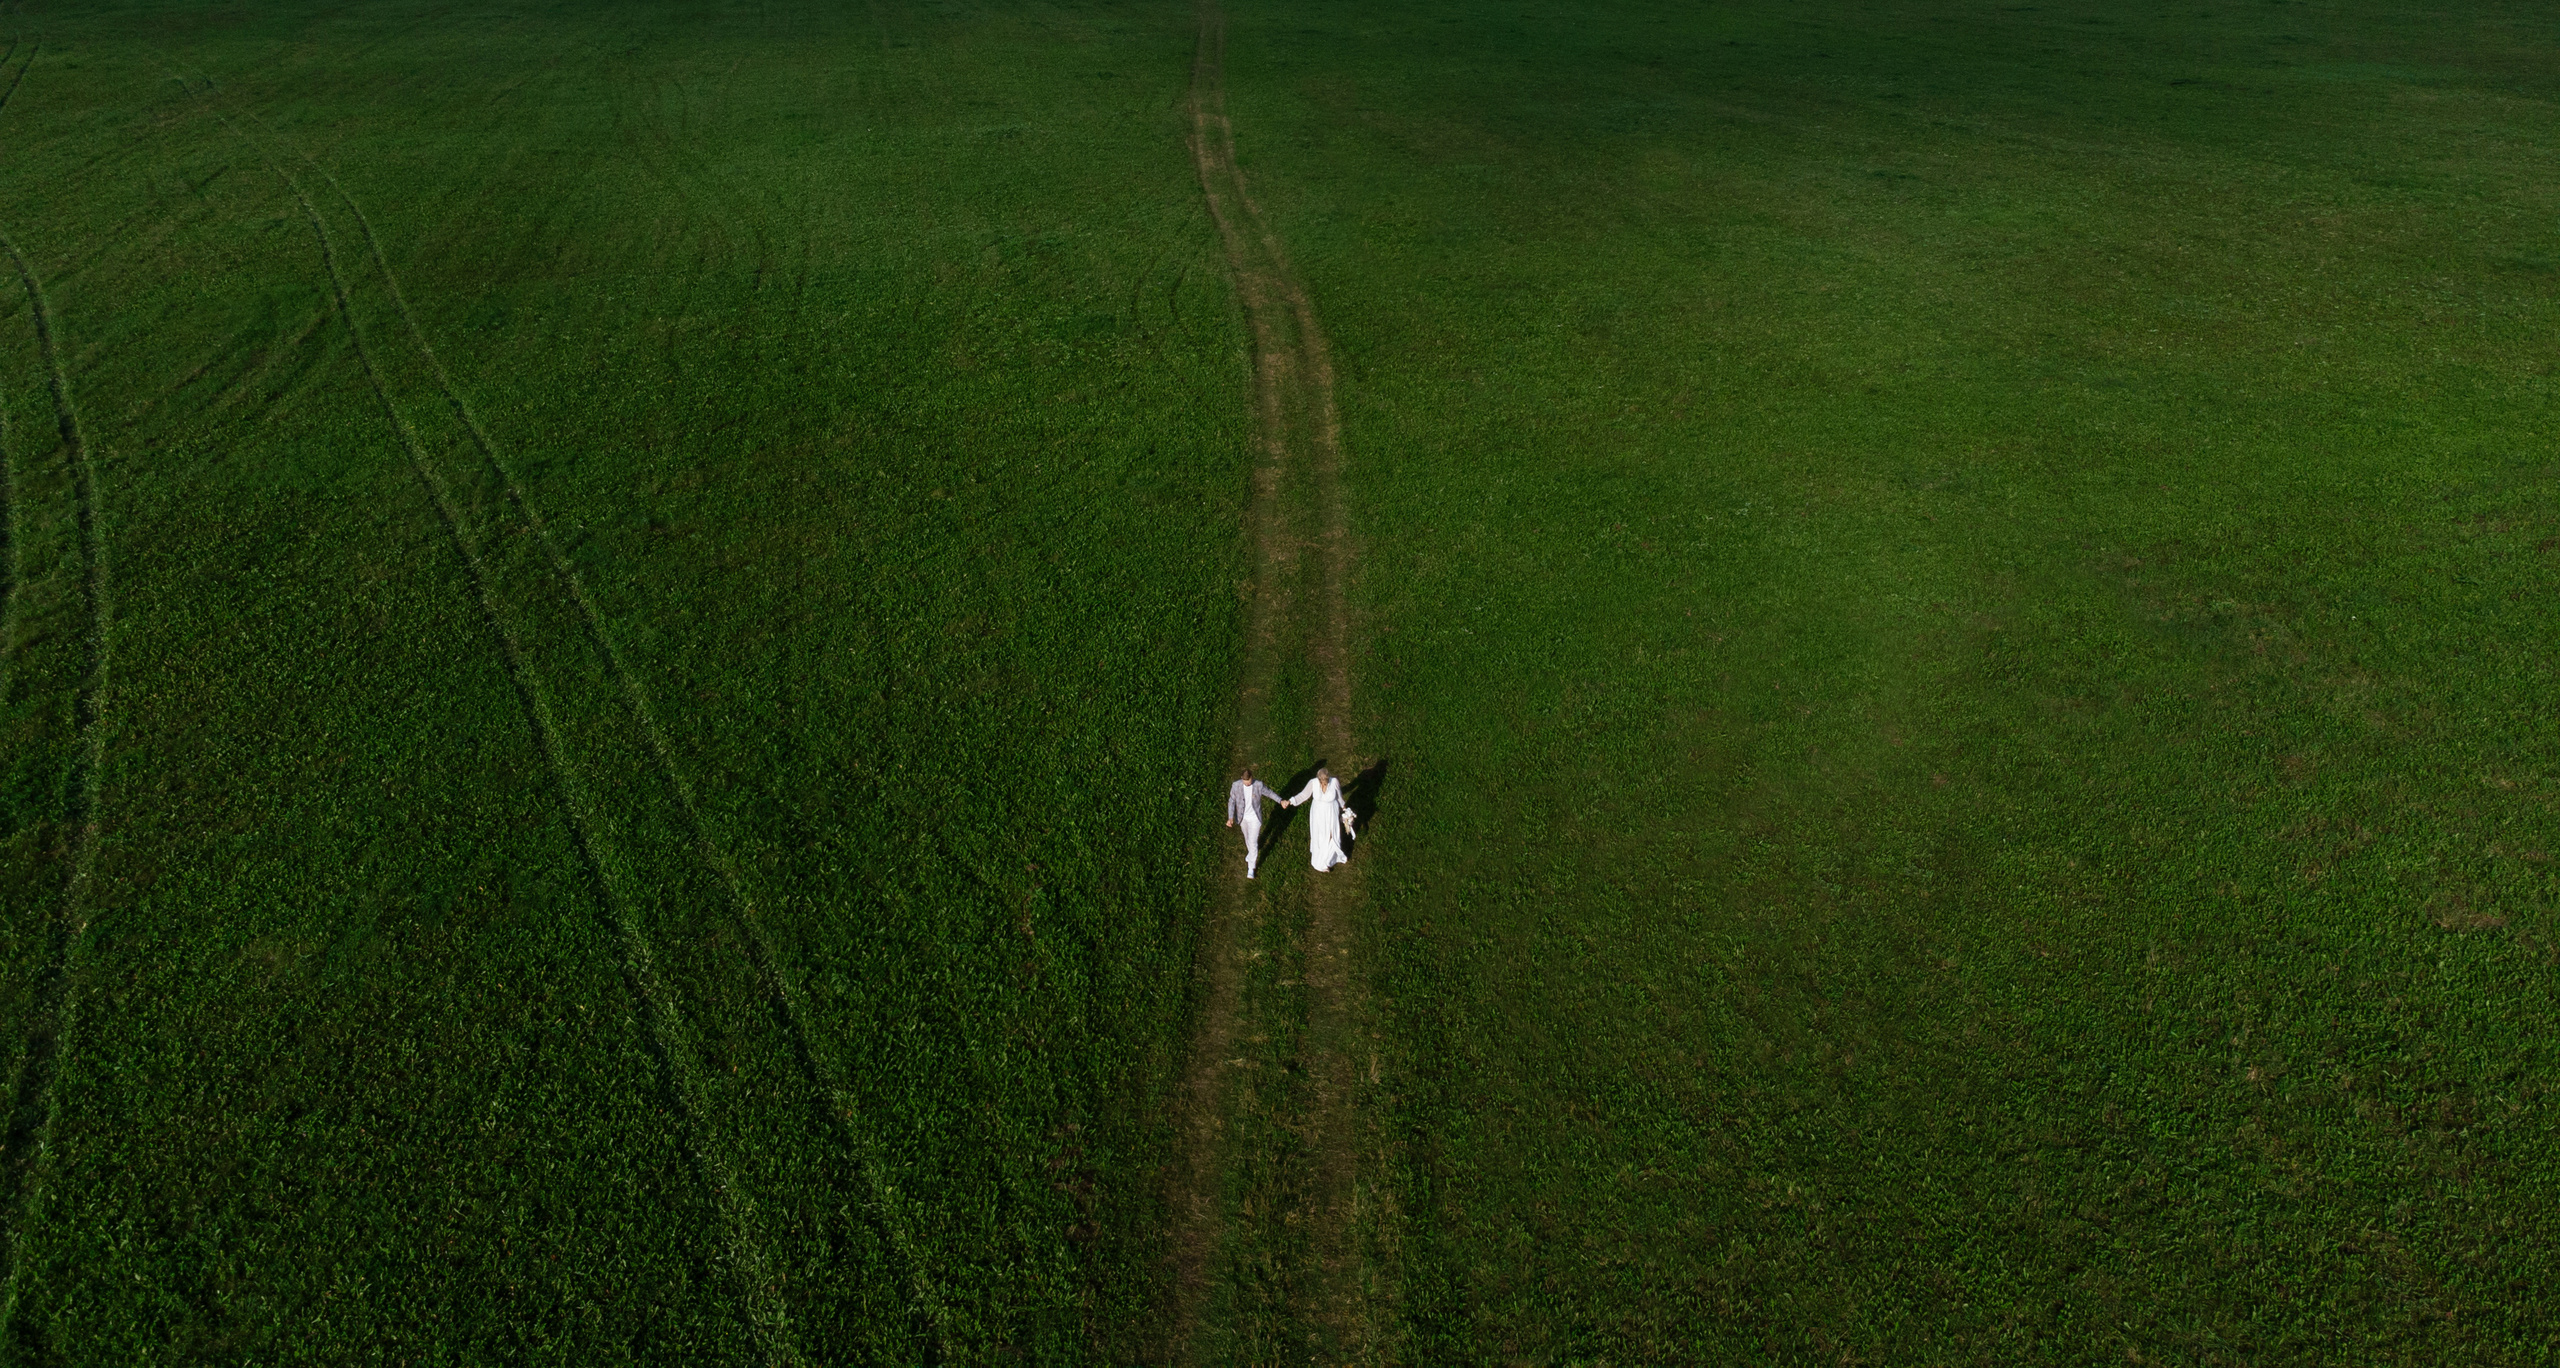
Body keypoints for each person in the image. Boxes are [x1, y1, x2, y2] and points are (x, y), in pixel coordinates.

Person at [1285, 767, 1349, 872]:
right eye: (1322, 782)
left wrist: (1345, 809)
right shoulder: (1313, 783)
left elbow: (1339, 797)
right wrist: (1290, 801)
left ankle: (1329, 859)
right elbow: (1303, 795)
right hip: (1317, 814)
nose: (1324, 784)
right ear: (1318, 779)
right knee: (1320, 836)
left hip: (1331, 812)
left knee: (1331, 836)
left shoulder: (1334, 782)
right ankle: (1320, 862)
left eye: (1326, 781)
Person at [1226, 767, 1283, 879]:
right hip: (1242, 818)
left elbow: (1270, 793)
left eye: (1249, 781)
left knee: (1252, 842)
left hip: (1255, 818)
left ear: (1252, 777)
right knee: (1247, 838)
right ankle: (1251, 854)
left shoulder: (1258, 785)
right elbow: (1231, 801)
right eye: (1245, 782)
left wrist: (1280, 801)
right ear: (1241, 778)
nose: (1247, 784)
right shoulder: (1236, 785)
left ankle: (1251, 868)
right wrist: (1230, 817)